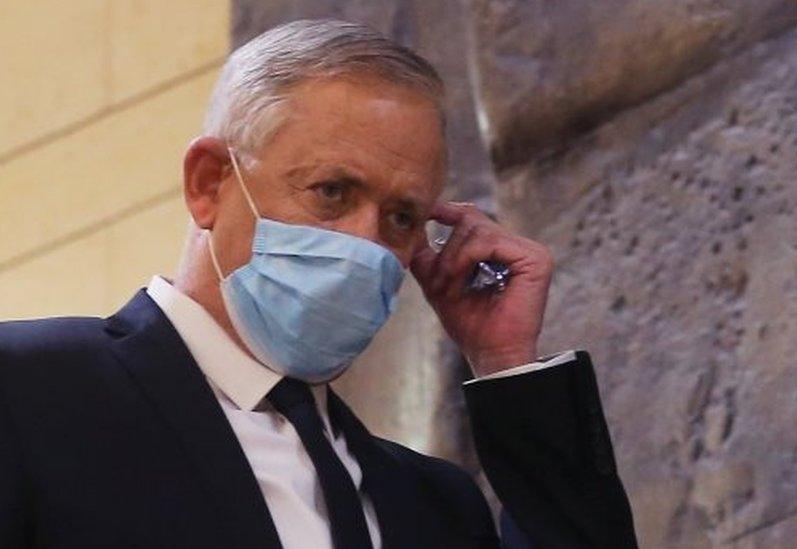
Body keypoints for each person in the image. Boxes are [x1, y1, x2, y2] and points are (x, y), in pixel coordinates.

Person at [0, 19, 636, 549]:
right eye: (332, 192)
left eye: (401, 217)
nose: (365, 242)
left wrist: (504, 363)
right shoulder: (28, 392)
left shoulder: (435, 506)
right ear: (209, 183)